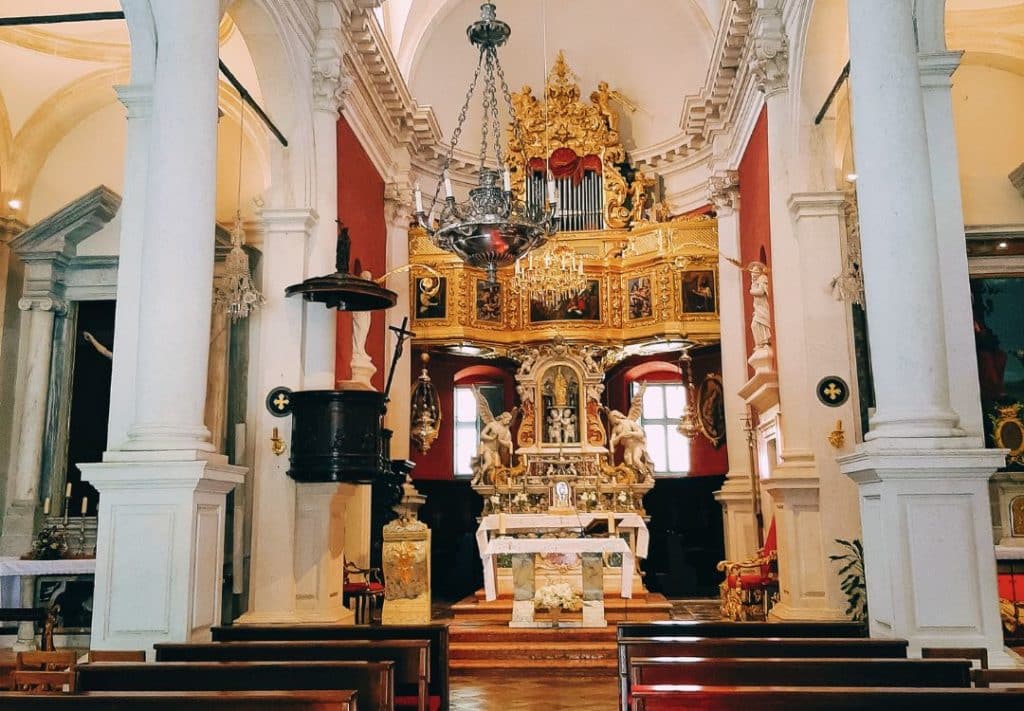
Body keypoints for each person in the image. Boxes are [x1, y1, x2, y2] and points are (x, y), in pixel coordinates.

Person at [749, 262, 772, 349]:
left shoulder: (763, 279)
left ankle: (765, 341)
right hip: (757, 308)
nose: (752, 274)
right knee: (754, 325)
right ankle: (761, 343)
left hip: (763, 307)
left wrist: (751, 291)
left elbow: (761, 292)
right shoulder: (755, 282)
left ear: (759, 272)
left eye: (754, 272)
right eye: (752, 272)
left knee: (759, 323)